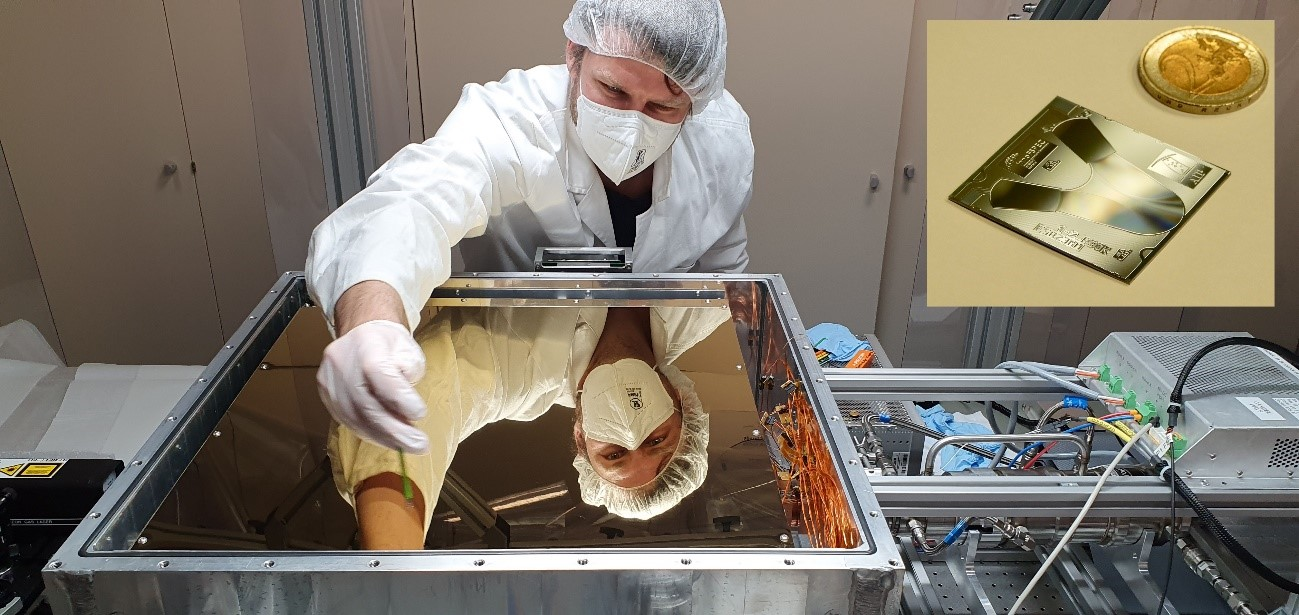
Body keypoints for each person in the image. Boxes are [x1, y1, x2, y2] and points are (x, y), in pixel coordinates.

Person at [308, 0, 752, 459]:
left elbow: (728, 286)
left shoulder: (720, 140)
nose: (633, 124)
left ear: (693, 102)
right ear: (574, 56)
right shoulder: (512, 121)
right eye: (613, 91)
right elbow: (414, 199)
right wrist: (372, 318)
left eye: (662, 106)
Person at [329, 306, 729, 549]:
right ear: (681, 403)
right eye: (657, 440)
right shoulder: (710, 304)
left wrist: (393, 574)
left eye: (614, 453)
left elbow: (418, 402)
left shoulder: (518, 369)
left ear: (580, 436)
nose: (630, 432)